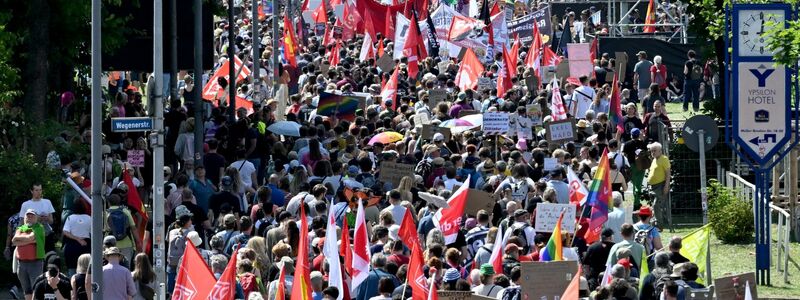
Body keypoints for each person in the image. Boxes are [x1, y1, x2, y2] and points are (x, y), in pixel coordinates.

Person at [13, 209, 47, 300]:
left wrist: (20, 240)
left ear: (36, 218)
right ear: (24, 218)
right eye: (27, 216)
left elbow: (30, 236)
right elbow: (13, 241)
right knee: (26, 289)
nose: (29, 218)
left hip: (35, 263)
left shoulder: (39, 227)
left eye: (32, 216)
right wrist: (30, 241)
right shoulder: (20, 228)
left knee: (36, 288)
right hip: (22, 264)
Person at [104, 194, 141, 262]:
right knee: (126, 267)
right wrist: (138, 242)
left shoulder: (105, 213)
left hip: (110, 245)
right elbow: (133, 228)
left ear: (108, 203)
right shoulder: (126, 211)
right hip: (127, 244)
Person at [646, 142, 671, 228]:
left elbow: (668, 173)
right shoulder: (654, 159)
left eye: (654, 150)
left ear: (660, 151)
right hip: (653, 186)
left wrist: (666, 186)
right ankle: (656, 222)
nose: (652, 152)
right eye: (651, 151)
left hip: (660, 185)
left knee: (656, 205)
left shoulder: (664, 159)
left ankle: (659, 224)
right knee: (654, 205)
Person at [62, 202, 91, 275]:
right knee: (86, 268)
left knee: (72, 269)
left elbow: (65, 231)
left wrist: (77, 239)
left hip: (72, 246)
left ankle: (72, 284)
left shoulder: (70, 218)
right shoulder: (89, 218)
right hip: (86, 245)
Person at [623, 128, 648, 210]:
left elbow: (625, 155)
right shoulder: (643, 143)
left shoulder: (627, 144)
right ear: (639, 135)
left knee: (635, 184)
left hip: (632, 166)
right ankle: (637, 202)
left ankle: (636, 202)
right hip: (641, 165)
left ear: (631, 135)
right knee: (639, 184)